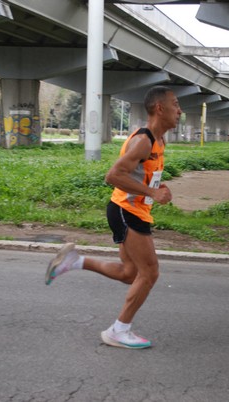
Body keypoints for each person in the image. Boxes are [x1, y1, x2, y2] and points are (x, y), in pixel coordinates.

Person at [45, 86, 181, 349]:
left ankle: (75, 261)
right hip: (126, 211)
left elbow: (139, 176)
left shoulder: (159, 140)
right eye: (175, 104)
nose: (180, 110)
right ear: (160, 108)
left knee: (131, 274)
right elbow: (113, 176)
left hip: (132, 210)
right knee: (150, 272)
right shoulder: (143, 140)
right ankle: (119, 330)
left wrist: (157, 189)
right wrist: (151, 191)